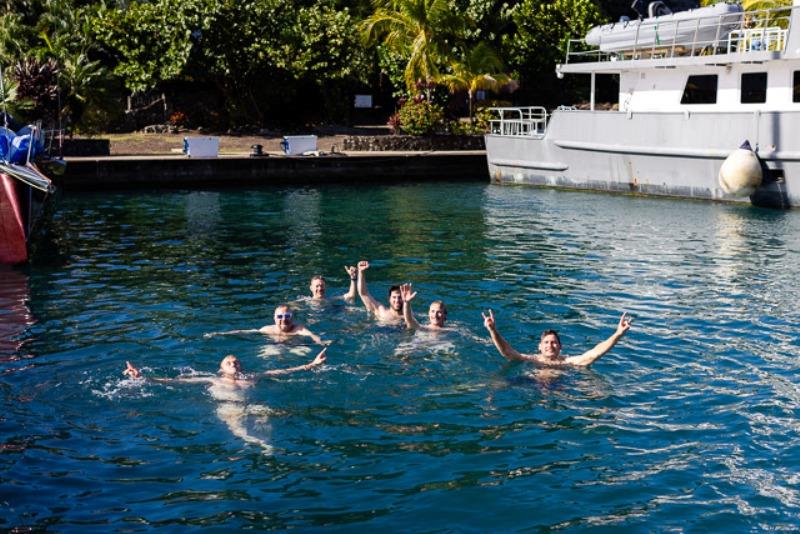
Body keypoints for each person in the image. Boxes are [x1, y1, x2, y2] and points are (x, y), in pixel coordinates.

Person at [123, 348, 327, 451]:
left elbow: (283, 371)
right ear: (221, 368)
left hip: (250, 404)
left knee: (265, 417)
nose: (233, 363)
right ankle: (259, 444)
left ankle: (267, 441)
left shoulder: (252, 376)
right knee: (237, 425)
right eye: (229, 362)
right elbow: (177, 382)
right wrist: (143, 377)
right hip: (229, 407)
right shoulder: (212, 378)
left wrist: (311, 364)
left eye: (236, 361)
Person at [482, 310, 632, 367]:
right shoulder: (532, 359)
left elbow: (594, 354)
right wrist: (493, 330)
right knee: (499, 384)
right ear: (539, 347)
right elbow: (507, 353)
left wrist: (618, 334)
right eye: (546, 342)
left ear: (560, 347)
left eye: (554, 342)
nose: (550, 345)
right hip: (532, 385)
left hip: (561, 388)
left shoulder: (567, 361)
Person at [205, 304, 324, 344]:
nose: (283, 319)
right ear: (274, 318)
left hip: (295, 346)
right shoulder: (268, 330)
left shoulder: (298, 329)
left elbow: (312, 335)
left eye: (287, 316)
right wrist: (219, 333)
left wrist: (320, 342)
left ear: (292, 318)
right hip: (275, 345)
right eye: (280, 317)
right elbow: (246, 331)